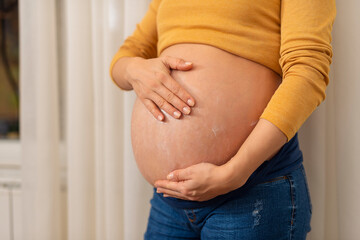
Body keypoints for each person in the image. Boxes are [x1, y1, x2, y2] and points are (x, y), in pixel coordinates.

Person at [110, 0, 336, 239]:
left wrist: (234, 172)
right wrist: (134, 69)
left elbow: (307, 71)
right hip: (169, 199)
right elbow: (127, 56)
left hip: (253, 190)